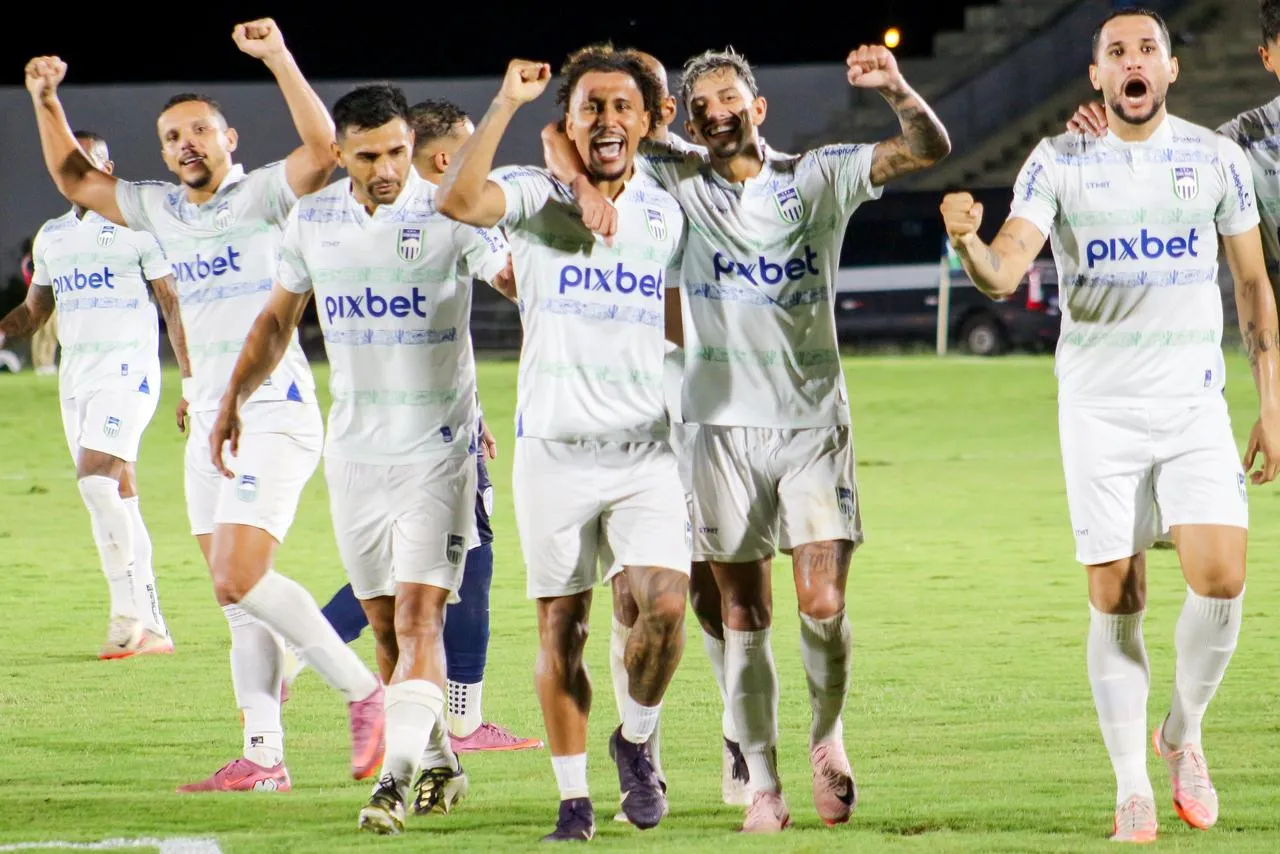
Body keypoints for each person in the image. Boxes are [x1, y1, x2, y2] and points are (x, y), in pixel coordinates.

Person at [544, 43, 949, 831]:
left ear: (758, 108)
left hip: (812, 426)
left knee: (823, 603)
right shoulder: (678, 177)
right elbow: (570, 134)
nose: (718, 113)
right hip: (717, 431)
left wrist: (896, 88)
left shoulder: (817, 177)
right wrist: (601, 151)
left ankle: (826, 737)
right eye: (701, 107)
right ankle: (761, 782)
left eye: (730, 98)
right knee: (742, 615)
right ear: (688, 122)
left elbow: (926, 148)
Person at [939, 7, 1280, 842]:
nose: (1134, 60)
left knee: (1222, 579)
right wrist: (968, 244)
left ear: (1170, 69)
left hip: (1193, 403)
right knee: (1117, 594)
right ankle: (1131, 787)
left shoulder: (1216, 158)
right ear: (1097, 75)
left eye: (1148, 48)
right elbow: (1003, 269)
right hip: (1099, 411)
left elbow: (1251, 284)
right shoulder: (1059, 159)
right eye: (1116, 51)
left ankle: (1182, 734)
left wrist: (1272, 403)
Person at [22, 17, 385, 794]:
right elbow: (77, 180)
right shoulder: (160, 209)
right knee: (237, 603)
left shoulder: (262, 193)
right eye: (172, 137)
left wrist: (278, 56)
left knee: (240, 575)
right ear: (162, 154)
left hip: (275, 411)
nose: (186, 144)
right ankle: (263, 758)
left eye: (199, 131)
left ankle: (362, 690)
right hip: (210, 423)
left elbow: (323, 150)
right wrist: (45, 100)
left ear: (228, 139)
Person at [209, 82, 513, 834]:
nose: (387, 169)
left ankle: (392, 783)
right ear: (340, 154)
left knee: (418, 618)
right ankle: (439, 758)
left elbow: (512, 277)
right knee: (383, 628)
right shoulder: (312, 221)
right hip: (354, 455)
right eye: (369, 156)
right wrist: (232, 399)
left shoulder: (450, 213)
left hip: (437, 454)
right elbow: (277, 320)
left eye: (398, 152)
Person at [436, 49, 690, 841]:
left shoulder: (666, 211)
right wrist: (507, 102)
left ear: (645, 121)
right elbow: (457, 198)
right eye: (591, 107)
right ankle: (574, 801)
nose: (607, 120)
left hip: (646, 450)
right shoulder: (534, 192)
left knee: (666, 609)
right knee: (563, 629)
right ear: (569, 122)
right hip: (554, 451)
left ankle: (635, 742)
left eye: (622, 107)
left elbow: (672, 317)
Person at [310, 97, 541, 757]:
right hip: (414, 449)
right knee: (423, 586)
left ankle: (448, 725)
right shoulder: (431, 217)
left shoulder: (444, 224)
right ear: (445, 158)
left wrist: (477, 411)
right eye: (470, 149)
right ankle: (314, 650)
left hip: (442, 432)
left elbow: (426, 334)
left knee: (440, 575)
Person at [0, 130, 189, 658]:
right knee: (118, 496)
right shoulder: (52, 236)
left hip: (128, 371)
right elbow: (34, 311)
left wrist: (191, 382)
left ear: (108, 168)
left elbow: (172, 304)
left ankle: (125, 617)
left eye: (91, 162)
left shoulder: (137, 226)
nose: (81, 172)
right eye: (71, 164)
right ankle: (155, 627)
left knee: (96, 483)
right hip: (76, 378)